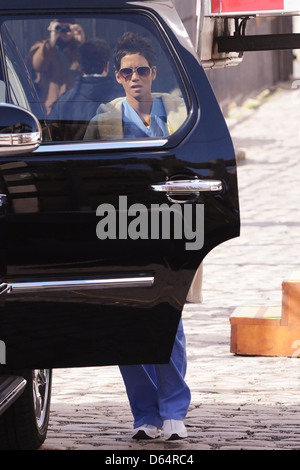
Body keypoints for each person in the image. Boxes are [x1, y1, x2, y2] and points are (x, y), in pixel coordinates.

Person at [85, 32, 190, 441]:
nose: (134, 78)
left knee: (169, 320)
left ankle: (174, 410)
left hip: (168, 231)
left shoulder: (180, 114)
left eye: (141, 70)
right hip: (120, 231)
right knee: (125, 322)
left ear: (153, 73)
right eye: (126, 71)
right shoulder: (101, 122)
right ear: (117, 76)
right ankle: (144, 414)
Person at [48, 38, 121, 140]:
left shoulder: (63, 101)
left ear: (80, 68)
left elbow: (51, 135)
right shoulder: (122, 98)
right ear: (107, 66)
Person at [28, 19, 85, 115]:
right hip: (50, 109)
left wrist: (82, 44)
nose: (65, 32)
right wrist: (51, 42)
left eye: (68, 28)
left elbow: (90, 69)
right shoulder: (42, 46)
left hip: (75, 109)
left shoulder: (78, 47)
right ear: (51, 28)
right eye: (60, 28)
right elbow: (37, 65)